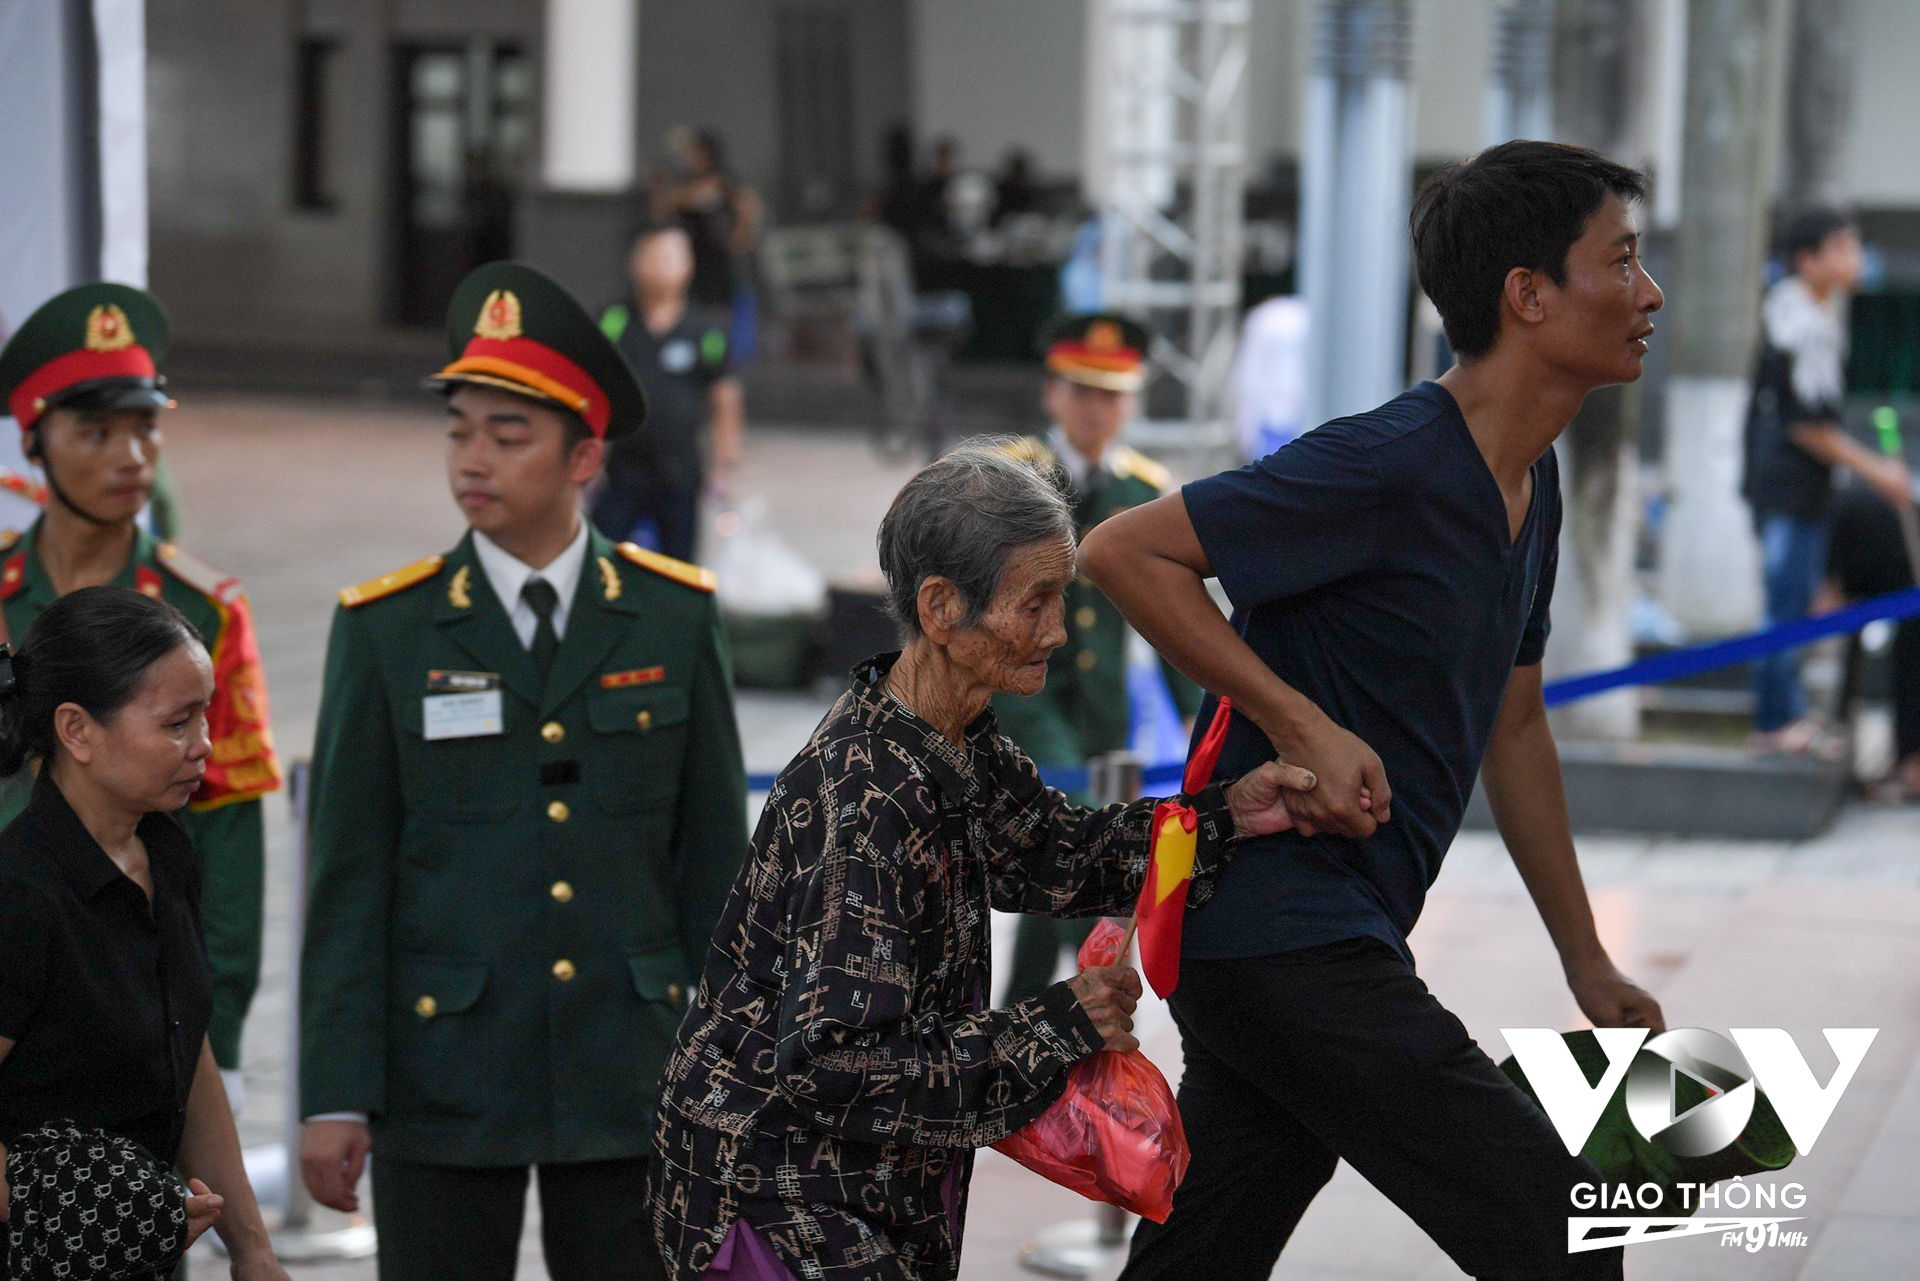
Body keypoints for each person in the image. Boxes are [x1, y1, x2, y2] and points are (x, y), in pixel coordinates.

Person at [1082, 140, 1668, 1280]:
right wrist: (1299, 722)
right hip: (1279, 925)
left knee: (1206, 1254)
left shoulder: (1528, 481)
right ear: (1529, 296)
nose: (1648, 297)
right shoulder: (1390, 461)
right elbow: (1124, 550)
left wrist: (1586, 962)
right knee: (1559, 1229)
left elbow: (1517, 729)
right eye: (1625, 261)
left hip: (1305, 934)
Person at [646, 444, 1313, 1281]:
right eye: (1034, 602)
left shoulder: (948, 735)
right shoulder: (869, 800)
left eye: (1060, 597)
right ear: (940, 607)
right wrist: (1059, 1023)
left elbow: (1055, 851)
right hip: (783, 1208)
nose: (1058, 630)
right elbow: (834, 1065)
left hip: (859, 1194)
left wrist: (1225, 820)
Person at [298, 261, 749, 1281]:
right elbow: (350, 874)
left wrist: (733, 1068)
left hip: (631, 1065)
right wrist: (333, 1093)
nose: (473, 459)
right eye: (460, 429)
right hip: (446, 1071)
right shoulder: (388, 629)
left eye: (509, 436)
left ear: (585, 454)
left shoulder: (674, 617)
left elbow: (716, 865)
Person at [0, 282, 280, 1105]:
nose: (132, 456)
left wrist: (215, 1025)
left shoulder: (203, 609)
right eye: (97, 430)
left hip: (133, 983)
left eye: (146, 426)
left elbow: (229, 822)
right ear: (36, 440)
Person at [0, 586, 291, 1280]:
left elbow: (184, 1048)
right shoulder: (22, 893)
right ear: (77, 730)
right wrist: (72, 1212)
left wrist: (252, 1250)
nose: (205, 746)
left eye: (206, 717)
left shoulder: (164, 849)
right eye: (177, 724)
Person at [995, 313, 1201, 1006]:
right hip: (1028, 708)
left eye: (1111, 394)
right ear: (1052, 394)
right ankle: (1084, 1004)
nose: (1096, 408)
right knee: (1082, 851)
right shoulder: (1012, 479)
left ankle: (1025, 1010)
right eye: (1081, 391)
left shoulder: (1143, 488)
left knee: (1054, 866)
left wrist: (1203, 715)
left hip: (1105, 719)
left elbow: (1169, 613)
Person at [1741, 208, 1913, 754]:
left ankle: (1786, 715)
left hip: (1799, 490)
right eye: (1842, 249)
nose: (1854, 260)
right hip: (1788, 489)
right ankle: (1775, 722)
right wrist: (1879, 472)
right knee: (1785, 603)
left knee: (1796, 600)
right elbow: (1807, 426)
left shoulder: (1813, 315)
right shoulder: (1800, 322)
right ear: (1807, 259)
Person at [593, 224, 745, 562]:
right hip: (622, 471)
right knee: (599, 562)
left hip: (681, 474)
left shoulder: (705, 328)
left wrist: (725, 465)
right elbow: (590, 390)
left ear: (688, 265)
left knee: (679, 573)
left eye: (672, 256)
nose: (664, 265)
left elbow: (725, 398)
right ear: (635, 264)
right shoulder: (614, 321)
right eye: (655, 256)